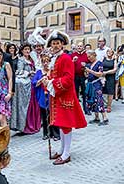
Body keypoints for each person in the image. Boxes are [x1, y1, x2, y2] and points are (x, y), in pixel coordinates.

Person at [42, 30, 87, 165]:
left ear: (62, 45)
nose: (55, 45)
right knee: (61, 124)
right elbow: (53, 75)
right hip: (57, 97)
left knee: (66, 125)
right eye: (53, 43)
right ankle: (62, 150)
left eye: (58, 43)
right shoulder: (55, 58)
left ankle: (66, 153)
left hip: (65, 96)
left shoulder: (66, 58)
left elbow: (68, 79)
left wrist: (51, 83)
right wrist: (46, 80)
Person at [10, 42, 41, 134]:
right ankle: (26, 126)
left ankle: (35, 124)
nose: (27, 51)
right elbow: (18, 72)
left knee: (34, 105)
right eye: (25, 49)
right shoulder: (21, 60)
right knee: (27, 105)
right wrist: (28, 73)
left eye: (28, 49)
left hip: (33, 82)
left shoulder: (31, 59)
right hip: (26, 84)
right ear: (22, 51)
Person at [32, 54, 60, 140]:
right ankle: (46, 133)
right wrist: (41, 80)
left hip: (51, 95)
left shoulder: (52, 71)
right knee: (44, 115)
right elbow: (34, 83)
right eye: (44, 61)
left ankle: (55, 133)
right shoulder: (39, 72)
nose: (45, 63)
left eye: (47, 61)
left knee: (53, 115)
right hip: (42, 96)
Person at [85, 50, 109, 126]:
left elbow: (100, 74)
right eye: (88, 57)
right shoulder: (89, 64)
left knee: (99, 100)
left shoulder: (99, 63)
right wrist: (86, 72)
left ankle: (105, 118)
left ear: (94, 55)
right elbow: (87, 75)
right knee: (93, 101)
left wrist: (90, 71)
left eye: (90, 56)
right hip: (90, 84)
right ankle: (96, 117)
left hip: (97, 84)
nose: (89, 58)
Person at [71, 42, 90, 114]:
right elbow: (69, 64)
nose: (79, 47)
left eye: (80, 46)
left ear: (83, 47)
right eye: (78, 46)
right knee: (75, 93)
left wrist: (86, 65)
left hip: (83, 76)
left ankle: (86, 109)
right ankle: (76, 110)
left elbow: (90, 63)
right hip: (75, 76)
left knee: (85, 93)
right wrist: (73, 61)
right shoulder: (73, 55)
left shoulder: (86, 55)